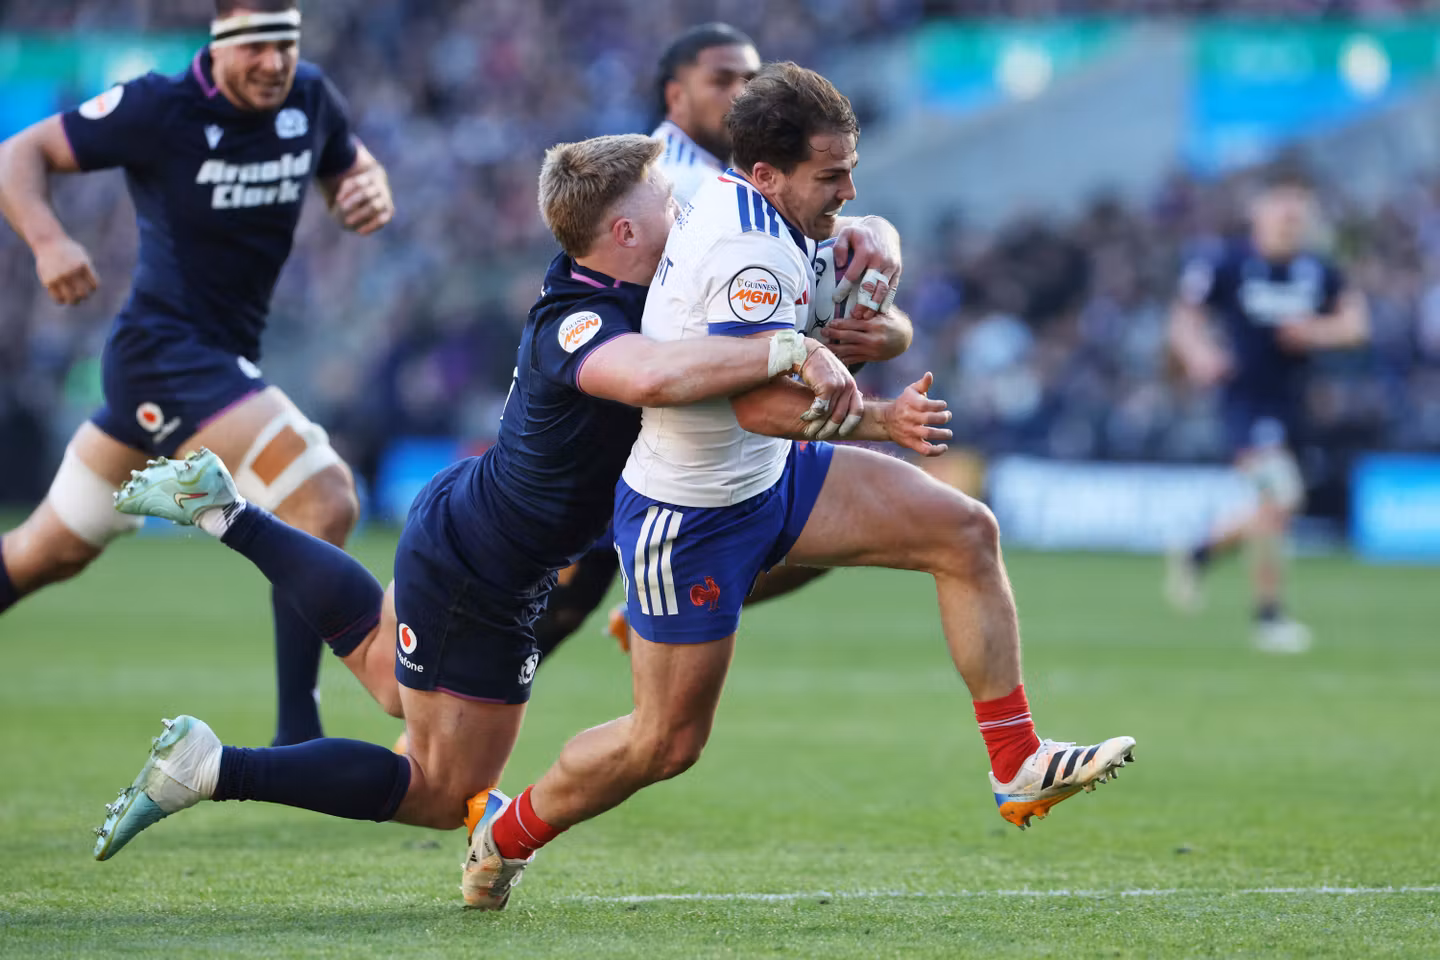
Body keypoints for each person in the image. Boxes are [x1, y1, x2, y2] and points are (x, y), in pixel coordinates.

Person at [90, 135, 893, 881]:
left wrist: (869, 236)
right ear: (623, 232)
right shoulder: (578, 321)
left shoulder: (645, 287)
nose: (684, 216)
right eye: (668, 205)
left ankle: (225, 513)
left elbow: (772, 281)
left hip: (471, 534)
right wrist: (793, 346)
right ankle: (211, 767)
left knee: (386, 676)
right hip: (482, 574)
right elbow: (653, 377)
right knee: (442, 791)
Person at [460, 63, 1137, 911]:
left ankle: (1018, 763)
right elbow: (759, 405)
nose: (848, 191)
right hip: (692, 513)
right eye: (832, 175)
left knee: (964, 532)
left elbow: (866, 309)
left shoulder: (769, 205)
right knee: (664, 745)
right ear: (767, 175)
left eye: (851, 169)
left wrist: (883, 251)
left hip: (774, 476)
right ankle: (506, 833)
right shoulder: (749, 255)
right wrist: (883, 421)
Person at [0, 0, 395, 746]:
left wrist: (368, 187)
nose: (274, 64)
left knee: (44, 552)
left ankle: (295, 739)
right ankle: (297, 738)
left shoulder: (311, 98)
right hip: (165, 356)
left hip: (207, 367)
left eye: (285, 45)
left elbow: (353, 171)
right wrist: (49, 241)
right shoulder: (160, 105)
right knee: (324, 498)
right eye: (256, 47)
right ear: (218, 43)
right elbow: (19, 153)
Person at [535, 22, 913, 660]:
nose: (739, 91)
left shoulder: (761, 187)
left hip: (690, 435)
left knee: (827, 536)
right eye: (721, 79)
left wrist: (879, 248)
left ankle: (653, 610)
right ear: (675, 96)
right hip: (617, 432)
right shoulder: (667, 180)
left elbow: (828, 275)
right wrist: (868, 239)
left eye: (749, 78)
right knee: (537, 622)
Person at [1166, 165, 1369, 653]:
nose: (1289, 216)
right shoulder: (1227, 263)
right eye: (1281, 205)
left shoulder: (1319, 270)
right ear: (1258, 210)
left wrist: (1315, 331)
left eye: (1298, 208)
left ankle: (1199, 551)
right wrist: (1200, 355)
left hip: (1296, 405)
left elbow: (1357, 326)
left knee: (1274, 507)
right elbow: (1183, 319)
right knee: (1279, 496)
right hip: (1245, 402)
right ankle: (1269, 617)